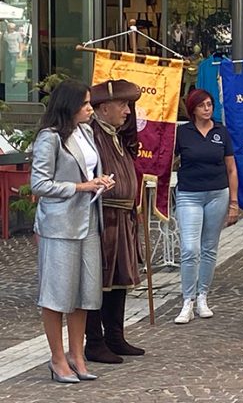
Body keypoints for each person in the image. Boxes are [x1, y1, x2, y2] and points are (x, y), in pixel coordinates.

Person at [31, 79, 115, 383]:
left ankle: (78, 356)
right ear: (69, 106)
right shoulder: (49, 138)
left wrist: (101, 181)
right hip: (60, 226)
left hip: (89, 220)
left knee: (84, 293)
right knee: (57, 294)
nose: (90, 109)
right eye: (85, 104)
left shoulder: (87, 132)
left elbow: (88, 171)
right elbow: (39, 184)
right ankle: (57, 358)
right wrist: (81, 187)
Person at [84, 80, 145, 364]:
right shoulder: (92, 135)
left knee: (119, 278)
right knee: (99, 281)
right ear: (104, 108)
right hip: (103, 218)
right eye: (122, 105)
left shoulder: (116, 134)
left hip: (122, 217)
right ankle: (94, 342)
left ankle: (115, 336)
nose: (127, 112)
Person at [174, 89, 239, 324]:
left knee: (209, 248)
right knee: (190, 248)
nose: (207, 109)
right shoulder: (183, 133)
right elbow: (167, 160)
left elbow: (231, 168)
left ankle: (203, 296)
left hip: (217, 194)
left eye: (210, 104)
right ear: (193, 109)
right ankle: (187, 299)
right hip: (189, 194)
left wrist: (233, 202)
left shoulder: (220, 131)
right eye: (202, 105)